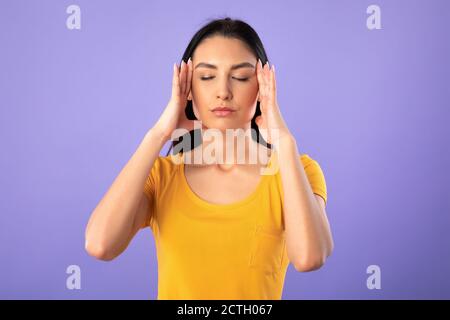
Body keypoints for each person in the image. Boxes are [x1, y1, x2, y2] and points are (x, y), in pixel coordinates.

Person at [85, 17, 334, 300]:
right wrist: (157, 135)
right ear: (188, 90)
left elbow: (310, 257)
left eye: (240, 77)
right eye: (206, 77)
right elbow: (99, 244)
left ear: (263, 88)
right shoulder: (161, 175)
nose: (223, 92)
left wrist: (285, 143)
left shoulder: (295, 170)